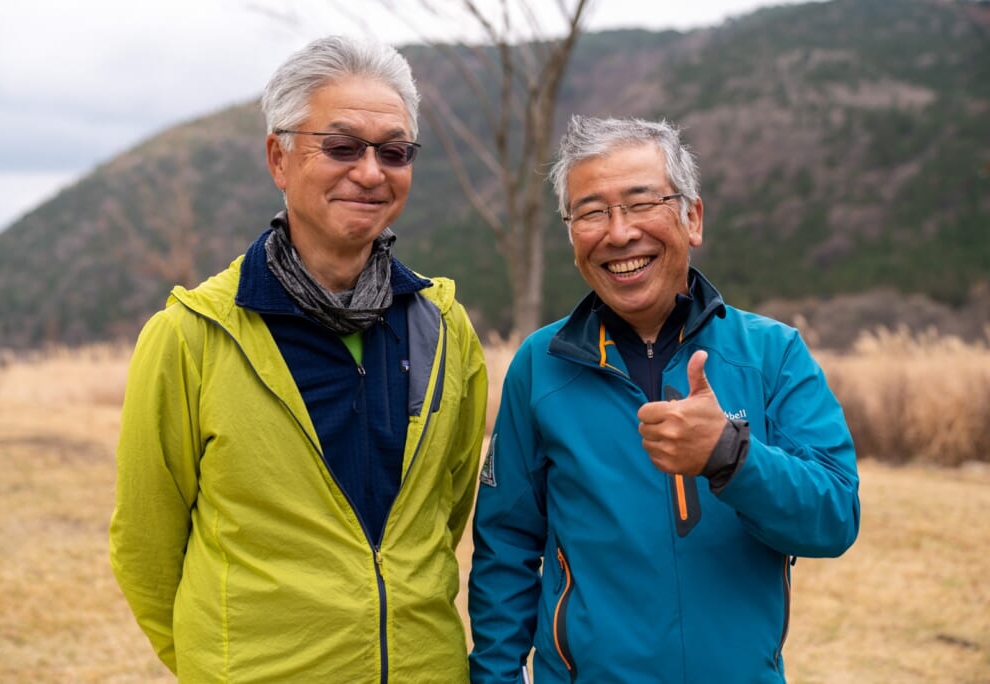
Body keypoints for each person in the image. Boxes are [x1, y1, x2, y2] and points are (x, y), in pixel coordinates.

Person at [109, 35, 487, 682]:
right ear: (278, 158)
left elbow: (442, 517)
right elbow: (144, 545)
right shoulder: (191, 337)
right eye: (340, 147)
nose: (370, 172)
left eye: (393, 151)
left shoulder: (444, 327)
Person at [467, 116, 860, 683]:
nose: (619, 232)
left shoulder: (772, 354)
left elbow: (834, 519)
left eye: (640, 202)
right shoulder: (540, 365)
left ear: (692, 218)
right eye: (591, 211)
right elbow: (505, 545)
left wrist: (731, 456)